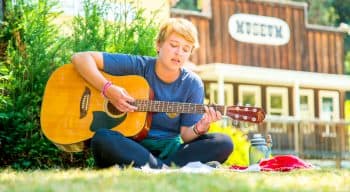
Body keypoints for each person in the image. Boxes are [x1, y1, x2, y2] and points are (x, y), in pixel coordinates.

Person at [71, 18, 233, 169]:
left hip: (171, 151)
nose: (179, 53)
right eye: (174, 45)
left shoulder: (192, 83)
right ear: (158, 45)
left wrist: (200, 127)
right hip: (133, 146)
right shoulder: (138, 66)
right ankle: (165, 169)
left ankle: (157, 167)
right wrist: (108, 89)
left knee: (223, 143)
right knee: (102, 138)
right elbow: (80, 58)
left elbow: (186, 136)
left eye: (186, 49)